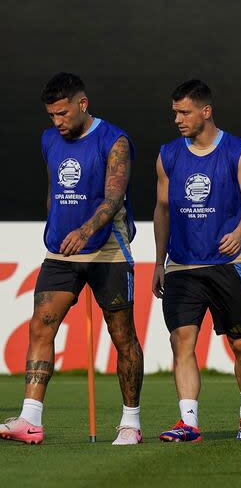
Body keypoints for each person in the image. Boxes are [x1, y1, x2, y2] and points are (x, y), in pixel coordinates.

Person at [0, 73, 144, 445]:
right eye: (51, 115)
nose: (57, 123)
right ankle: (30, 419)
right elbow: (55, 189)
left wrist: (83, 231)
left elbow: (113, 200)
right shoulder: (49, 139)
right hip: (61, 253)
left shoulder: (115, 140)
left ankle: (131, 423)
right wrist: (57, 229)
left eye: (63, 114)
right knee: (41, 326)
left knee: (122, 335)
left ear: (82, 104)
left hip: (108, 251)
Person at [152, 80, 241, 441]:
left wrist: (239, 231)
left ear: (206, 111)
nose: (178, 120)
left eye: (184, 112)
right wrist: (158, 262)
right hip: (182, 266)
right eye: (174, 113)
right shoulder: (168, 155)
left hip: (227, 265)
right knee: (181, 341)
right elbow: (163, 209)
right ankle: (189, 422)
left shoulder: (237, 151)